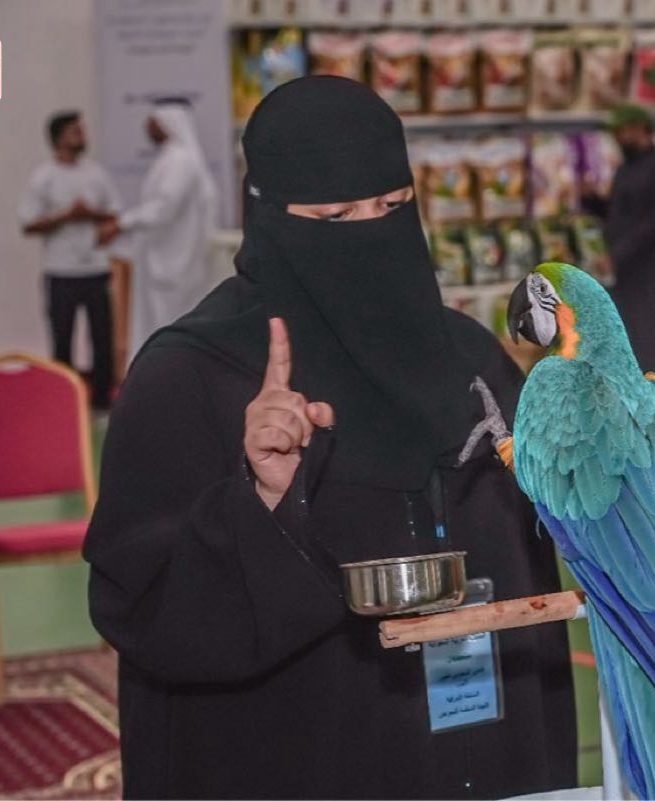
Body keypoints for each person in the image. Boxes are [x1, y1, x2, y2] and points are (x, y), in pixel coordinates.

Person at [83, 76, 577, 800]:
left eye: (393, 206)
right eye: (337, 215)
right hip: (304, 758)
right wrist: (260, 501)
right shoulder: (192, 377)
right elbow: (142, 603)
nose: (372, 232)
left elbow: (532, 555)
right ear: (269, 215)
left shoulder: (470, 362)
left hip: (478, 746)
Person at [97, 100, 218, 355]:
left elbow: (164, 208)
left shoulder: (180, 161)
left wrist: (121, 224)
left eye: (152, 121)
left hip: (175, 266)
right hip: (163, 263)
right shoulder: (171, 158)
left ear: (167, 122)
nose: (147, 126)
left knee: (170, 329)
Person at [18, 110, 121, 409]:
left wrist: (89, 214)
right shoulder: (44, 177)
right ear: (58, 138)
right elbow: (28, 224)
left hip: (95, 269)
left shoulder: (96, 174)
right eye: (75, 131)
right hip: (61, 271)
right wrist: (66, 216)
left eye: (82, 130)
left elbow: (114, 214)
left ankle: (101, 403)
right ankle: (63, 403)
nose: (82, 136)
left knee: (102, 339)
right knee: (62, 339)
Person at [582, 103, 655, 388]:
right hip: (628, 277)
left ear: (642, 129)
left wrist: (618, 254)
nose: (618, 138)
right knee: (633, 341)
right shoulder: (625, 170)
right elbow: (618, 215)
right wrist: (591, 201)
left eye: (623, 131)